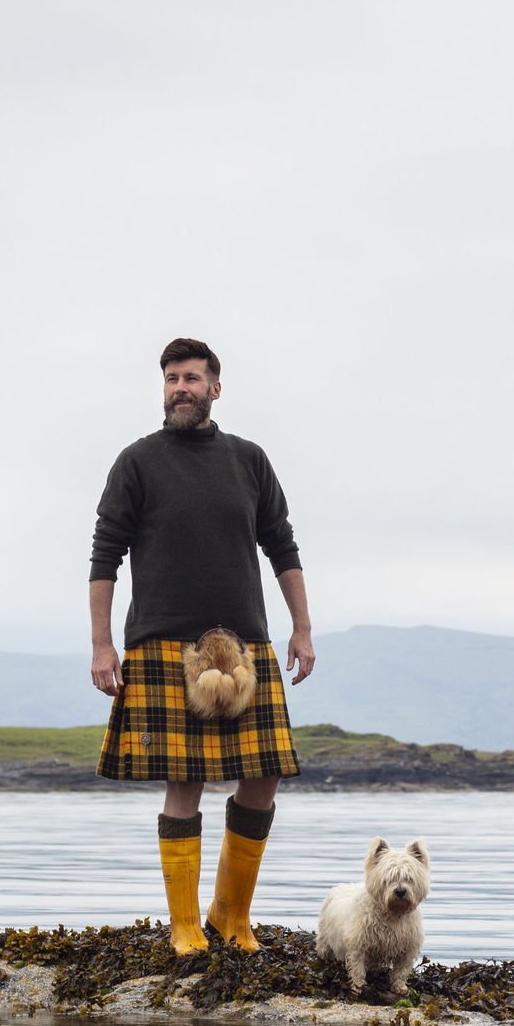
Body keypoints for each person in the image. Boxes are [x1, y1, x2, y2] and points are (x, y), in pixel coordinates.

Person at [88, 337, 314, 955]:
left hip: (246, 642)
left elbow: (282, 546)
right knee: (182, 779)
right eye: (170, 379)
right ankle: (184, 925)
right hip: (162, 641)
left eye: (191, 378)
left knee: (264, 775)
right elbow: (105, 553)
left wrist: (301, 627)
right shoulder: (137, 462)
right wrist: (102, 646)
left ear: (216, 387)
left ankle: (231, 916)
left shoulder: (249, 460)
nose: (179, 388)